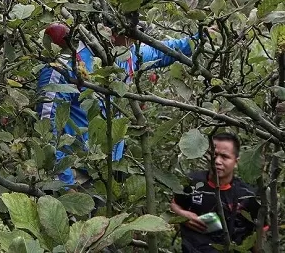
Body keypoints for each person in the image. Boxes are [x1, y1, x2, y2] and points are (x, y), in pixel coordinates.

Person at [37, 23, 194, 185]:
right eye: (132, 34)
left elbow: (160, 51)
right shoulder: (64, 65)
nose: (135, 40)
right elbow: (47, 128)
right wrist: (65, 183)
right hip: (77, 172)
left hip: (111, 166)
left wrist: (198, 39)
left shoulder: (126, 54)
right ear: (109, 31)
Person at [170, 132, 260, 253]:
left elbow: (260, 234)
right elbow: (174, 204)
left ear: (236, 162)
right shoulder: (192, 182)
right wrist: (183, 215)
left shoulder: (248, 195)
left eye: (224, 156)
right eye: (214, 154)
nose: (217, 161)